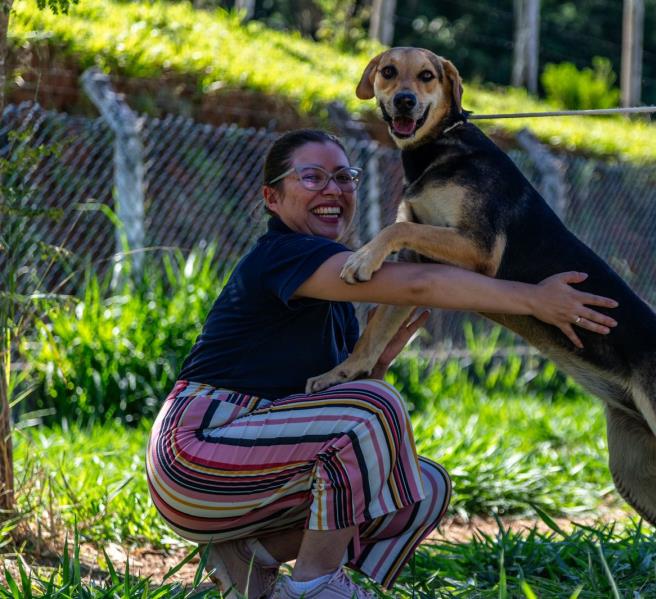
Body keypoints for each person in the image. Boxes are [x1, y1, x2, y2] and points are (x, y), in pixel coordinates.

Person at [145, 129, 618, 599]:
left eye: (344, 178)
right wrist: (534, 300)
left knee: (422, 487)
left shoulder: (336, 304)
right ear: (272, 197)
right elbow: (419, 284)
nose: (332, 190)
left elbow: (332, 425)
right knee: (374, 407)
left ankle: (253, 556)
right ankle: (313, 587)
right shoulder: (284, 255)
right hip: (196, 455)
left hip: (250, 464)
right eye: (311, 178)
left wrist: (373, 369)